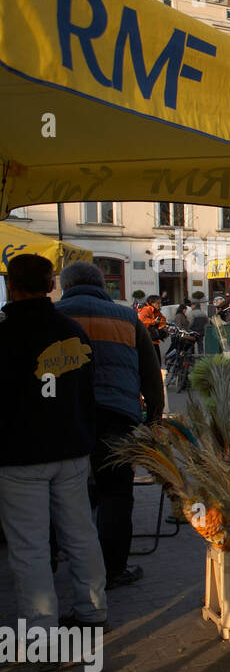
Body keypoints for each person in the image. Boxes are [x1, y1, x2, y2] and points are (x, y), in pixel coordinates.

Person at [0, 255, 107, 629]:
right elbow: (86, 391)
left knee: (29, 546)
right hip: (71, 447)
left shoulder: (4, 333)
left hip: (20, 454)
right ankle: (93, 610)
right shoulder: (71, 331)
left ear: (11, 286)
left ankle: (41, 627)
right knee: (80, 535)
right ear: (50, 286)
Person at [55, 261, 166, 590]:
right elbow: (150, 370)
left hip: (67, 415)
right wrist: (154, 416)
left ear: (65, 285)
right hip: (118, 414)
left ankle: (64, 561)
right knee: (116, 492)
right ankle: (113, 568)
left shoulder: (56, 314)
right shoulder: (126, 317)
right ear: (102, 285)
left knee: (65, 491)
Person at [137, 294, 167, 363]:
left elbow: (162, 320)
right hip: (147, 340)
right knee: (151, 362)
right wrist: (154, 322)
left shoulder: (156, 311)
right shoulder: (146, 310)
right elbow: (141, 320)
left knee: (157, 362)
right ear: (152, 303)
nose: (160, 305)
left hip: (153, 340)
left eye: (160, 303)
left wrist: (162, 328)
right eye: (158, 303)